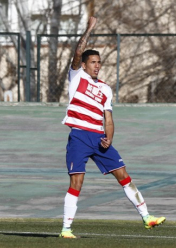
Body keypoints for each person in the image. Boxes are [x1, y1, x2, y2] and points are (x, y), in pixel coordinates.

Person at [59, 17, 165, 239]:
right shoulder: (77, 77)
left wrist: (109, 138)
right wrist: (89, 29)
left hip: (99, 139)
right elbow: (77, 53)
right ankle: (66, 230)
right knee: (77, 182)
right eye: (93, 62)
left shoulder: (105, 89)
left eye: (99, 62)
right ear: (85, 64)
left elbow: (108, 118)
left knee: (124, 175)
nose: (97, 65)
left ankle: (147, 218)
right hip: (79, 137)